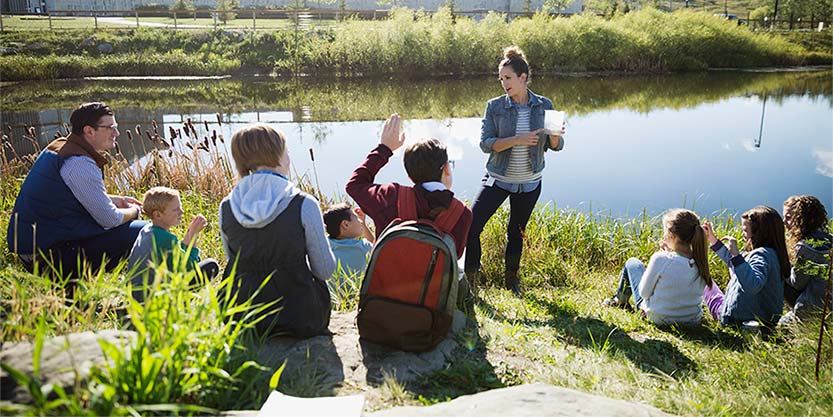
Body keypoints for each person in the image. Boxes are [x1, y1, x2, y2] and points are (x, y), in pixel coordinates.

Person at [6, 102, 146, 295]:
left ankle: (75, 288)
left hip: (37, 251)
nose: (117, 133)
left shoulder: (60, 148)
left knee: (127, 223)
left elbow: (70, 195)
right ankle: (142, 293)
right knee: (143, 231)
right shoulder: (79, 163)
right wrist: (135, 211)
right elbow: (110, 219)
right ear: (89, 131)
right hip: (48, 259)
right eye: (110, 128)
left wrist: (116, 200)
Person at [464, 46, 565, 295]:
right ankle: (471, 284)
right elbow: (486, 144)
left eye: (507, 78)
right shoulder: (495, 107)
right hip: (497, 179)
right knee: (471, 226)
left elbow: (556, 146)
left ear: (523, 77)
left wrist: (554, 135)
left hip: (530, 183)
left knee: (516, 233)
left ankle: (511, 282)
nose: (503, 83)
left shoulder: (545, 105)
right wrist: (517, 139)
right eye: (501, 79)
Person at [219, 123, 335, 338]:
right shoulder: (304, 203)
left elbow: (233, 261)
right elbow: (324, 270)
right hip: (301, 318)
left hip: (243, 318)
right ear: (279, 155)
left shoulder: (227, 206)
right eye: (287, 151)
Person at [346, 113, 472, 258]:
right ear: (447, 169)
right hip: (435, 281)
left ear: (410, 177)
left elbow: (354, 185)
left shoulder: (390, 196)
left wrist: (384, 149)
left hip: (389, 279)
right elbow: (455, 256)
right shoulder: (462, 214)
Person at [603, 209, 712, 326]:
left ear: (672, 235)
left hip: (657, 318)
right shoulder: (700, 260)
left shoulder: (661, 259)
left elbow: (644, 293)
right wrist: (669, 253)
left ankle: (620, 300)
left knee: (633, 263)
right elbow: (679, 266)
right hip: (692, 320)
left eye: (665, 231)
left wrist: (663, 256)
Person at [127, 186, 219, 303]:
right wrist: (194, 234)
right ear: (158, 215)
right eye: (176, 209)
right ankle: (179, 304)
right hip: (153, 300)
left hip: (137, 296)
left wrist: (189, 233)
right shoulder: (165, 239)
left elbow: (179, 257)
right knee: (210, 266)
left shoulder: (147, 230)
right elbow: (189, 268)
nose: (182, 212)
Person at [702, 206, 790, 327]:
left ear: (758, 232)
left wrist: (736, 254)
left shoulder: (762, 255)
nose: (743, 234)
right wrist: (712, 239)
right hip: (760, 319)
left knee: (705, 282)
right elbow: (735, 262)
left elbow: (752, 285)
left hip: (739, 321)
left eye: (744, 230)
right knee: (733, 269)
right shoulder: (772, 253)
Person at [779, 195, 832, 325]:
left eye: (788, 218)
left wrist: (782, 265)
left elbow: (797, 283)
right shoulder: (830, 238)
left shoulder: (805, 248)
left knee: (779, 274)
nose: (783, 221)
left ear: (802, 220)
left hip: (814, 309)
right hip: (829, 303)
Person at [323, 203, 375, 292]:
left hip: (334, 301)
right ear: (346, 225)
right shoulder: (362, 247)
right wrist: (364, 225)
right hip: (358, 300)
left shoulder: (325, 246)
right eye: (357, 218)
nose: (360, 221)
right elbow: (377, 247)